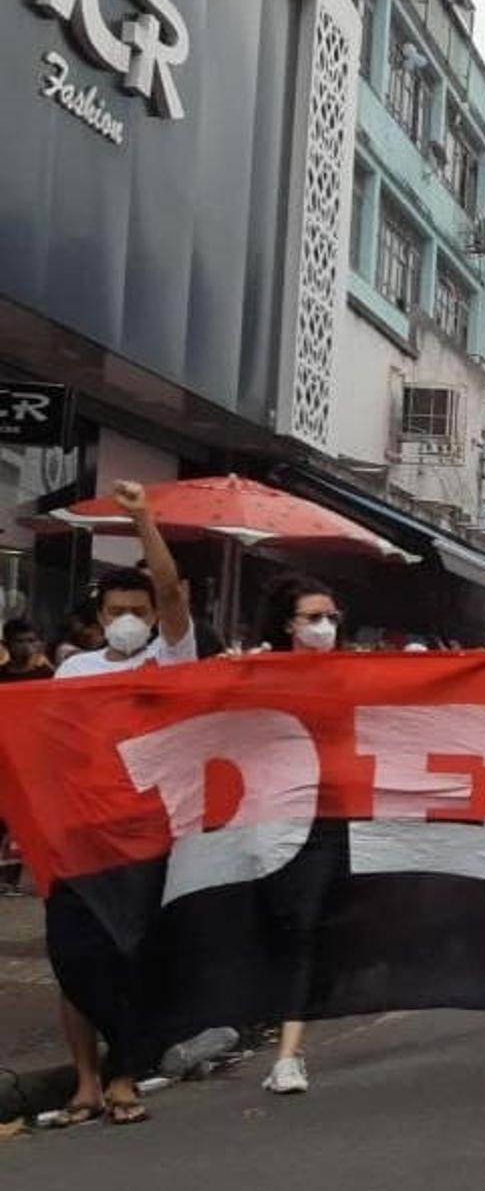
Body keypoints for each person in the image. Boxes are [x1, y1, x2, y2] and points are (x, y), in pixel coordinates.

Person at [44, 482, 194, 1128]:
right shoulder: (71, 673)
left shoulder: (171, 659)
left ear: (155, 614)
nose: (130, 617)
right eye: (117, 609)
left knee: (132, 955)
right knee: (70, 958)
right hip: (77, 832)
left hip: (146, 836)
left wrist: (142, 520)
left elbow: (169, 585)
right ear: (99, 617)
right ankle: (84, 1082)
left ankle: (125, 1074)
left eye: (141, 607)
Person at [251, 574, 346, 1094]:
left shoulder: (352, 674)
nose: (325, 626)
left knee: (303, 930)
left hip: (324, 820)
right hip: (263, 818)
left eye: (332, 617)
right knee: (274, 925)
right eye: (314, 617)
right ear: (289, 623)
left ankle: (288, 1055)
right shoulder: (260, 671)